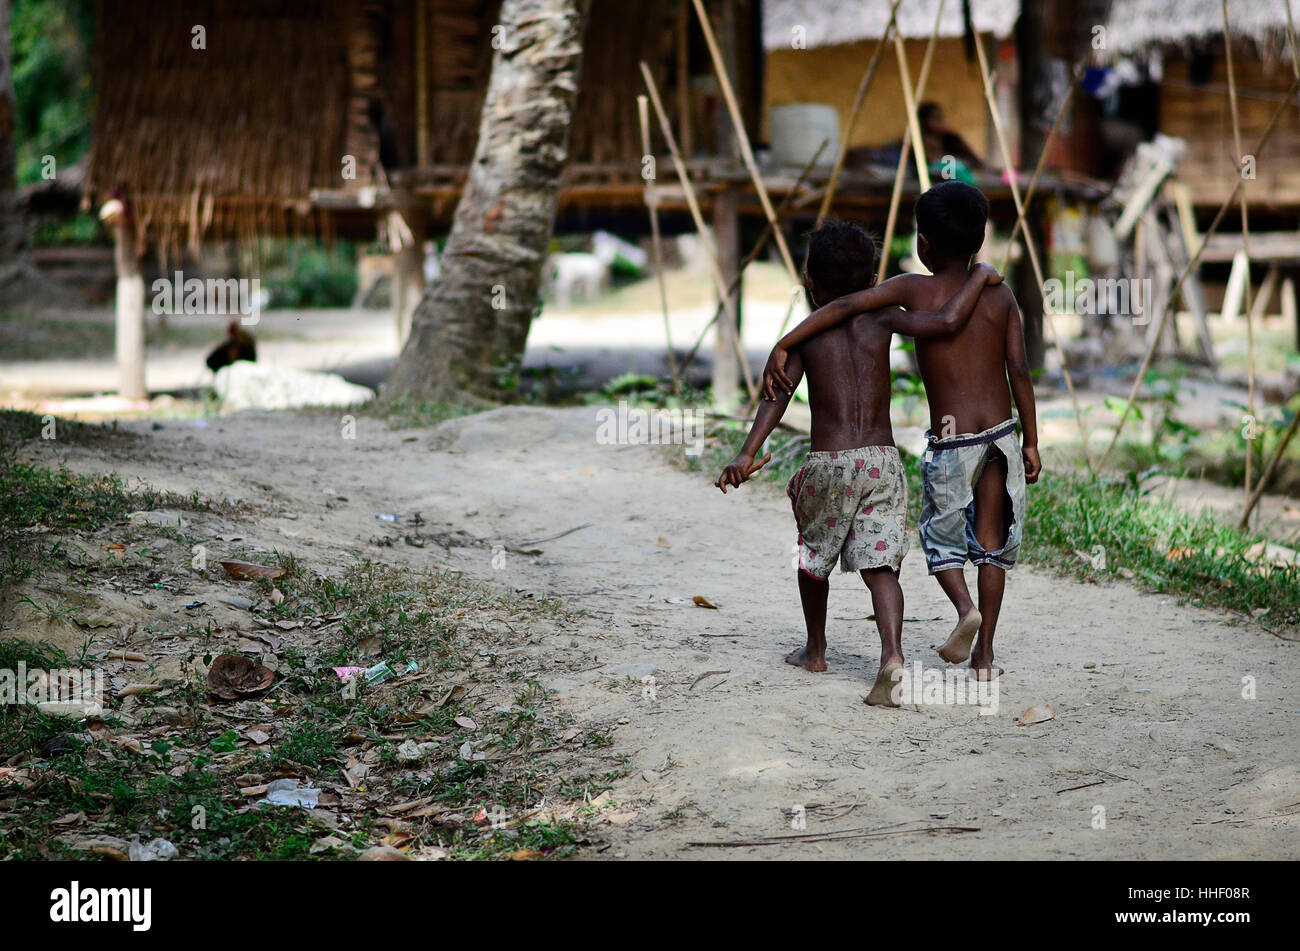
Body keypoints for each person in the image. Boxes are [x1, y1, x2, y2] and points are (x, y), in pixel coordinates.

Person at [762, 183, 1041, 681]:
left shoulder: (911, 289)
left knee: (941, 541)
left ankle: (962, 610)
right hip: (1001, 435)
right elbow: (1019, 370)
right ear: (977, 240)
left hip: (953, 443)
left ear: (924, 242)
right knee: (992, 544)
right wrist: (1032, 440)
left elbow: (846, 306)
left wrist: (784, 342)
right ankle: (985, 658)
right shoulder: (1001, 295)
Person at [717, 218, 1001, 706]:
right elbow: (944, 321)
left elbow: (776, 397)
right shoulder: (884, 318)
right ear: (874, 281)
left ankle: (816, 649)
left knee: (812, 558)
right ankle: (892, 654)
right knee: (881, 566)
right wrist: (978, 277)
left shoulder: (804, 337)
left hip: (828, 462)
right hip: (881, 461)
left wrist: (747, 452)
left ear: (809, 280)